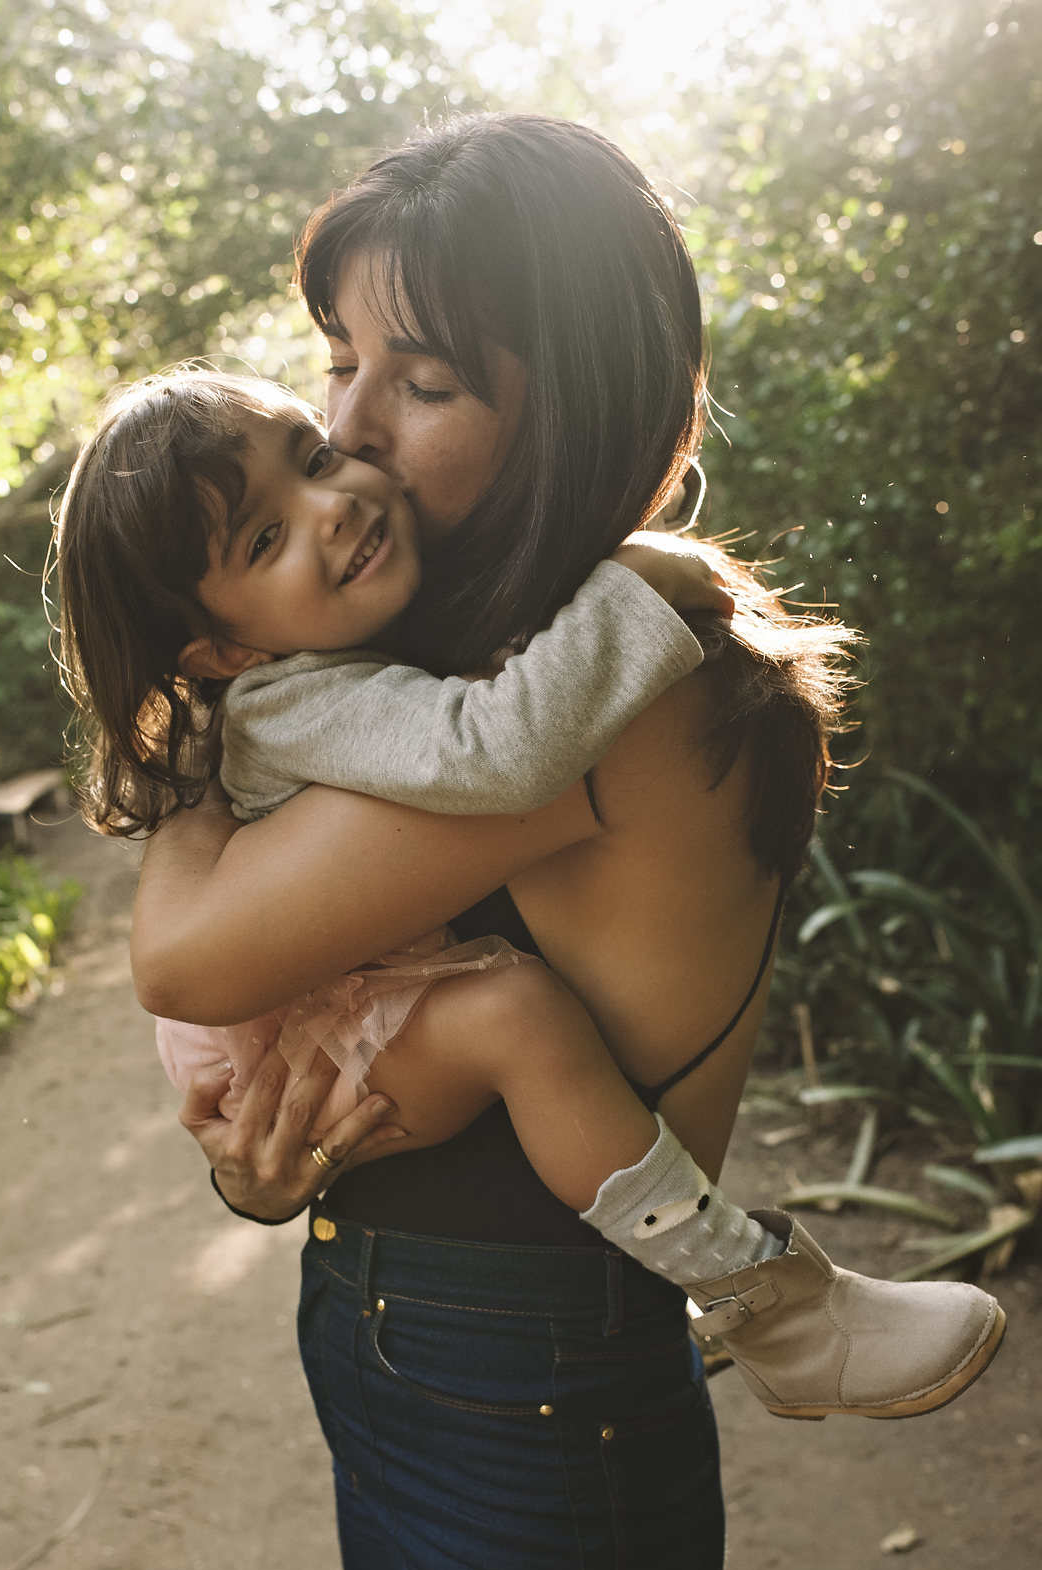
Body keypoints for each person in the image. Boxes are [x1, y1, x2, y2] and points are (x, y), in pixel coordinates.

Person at [125, 118, 1004, 1570]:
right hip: (399, 1341)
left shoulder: (611, 673)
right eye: (340, 362)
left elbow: (191, 953)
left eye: (426, 379)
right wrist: (264, 1158)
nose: (356, 428)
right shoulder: (462, 660)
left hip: (527, 1379)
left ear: (584, 394)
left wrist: (189, 780)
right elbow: (299, 1010)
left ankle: (778, 1301)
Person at [60, 363, 1001, 1409]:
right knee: (514, 1015)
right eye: (266, 537)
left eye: (314, 459)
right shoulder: (294, 700)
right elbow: (494, 751)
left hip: (399, 1211)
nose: (334, 504)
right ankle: (760, 1300)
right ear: (228, 648)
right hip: (309, 1045)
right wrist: (637, 583)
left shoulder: (349, 647)